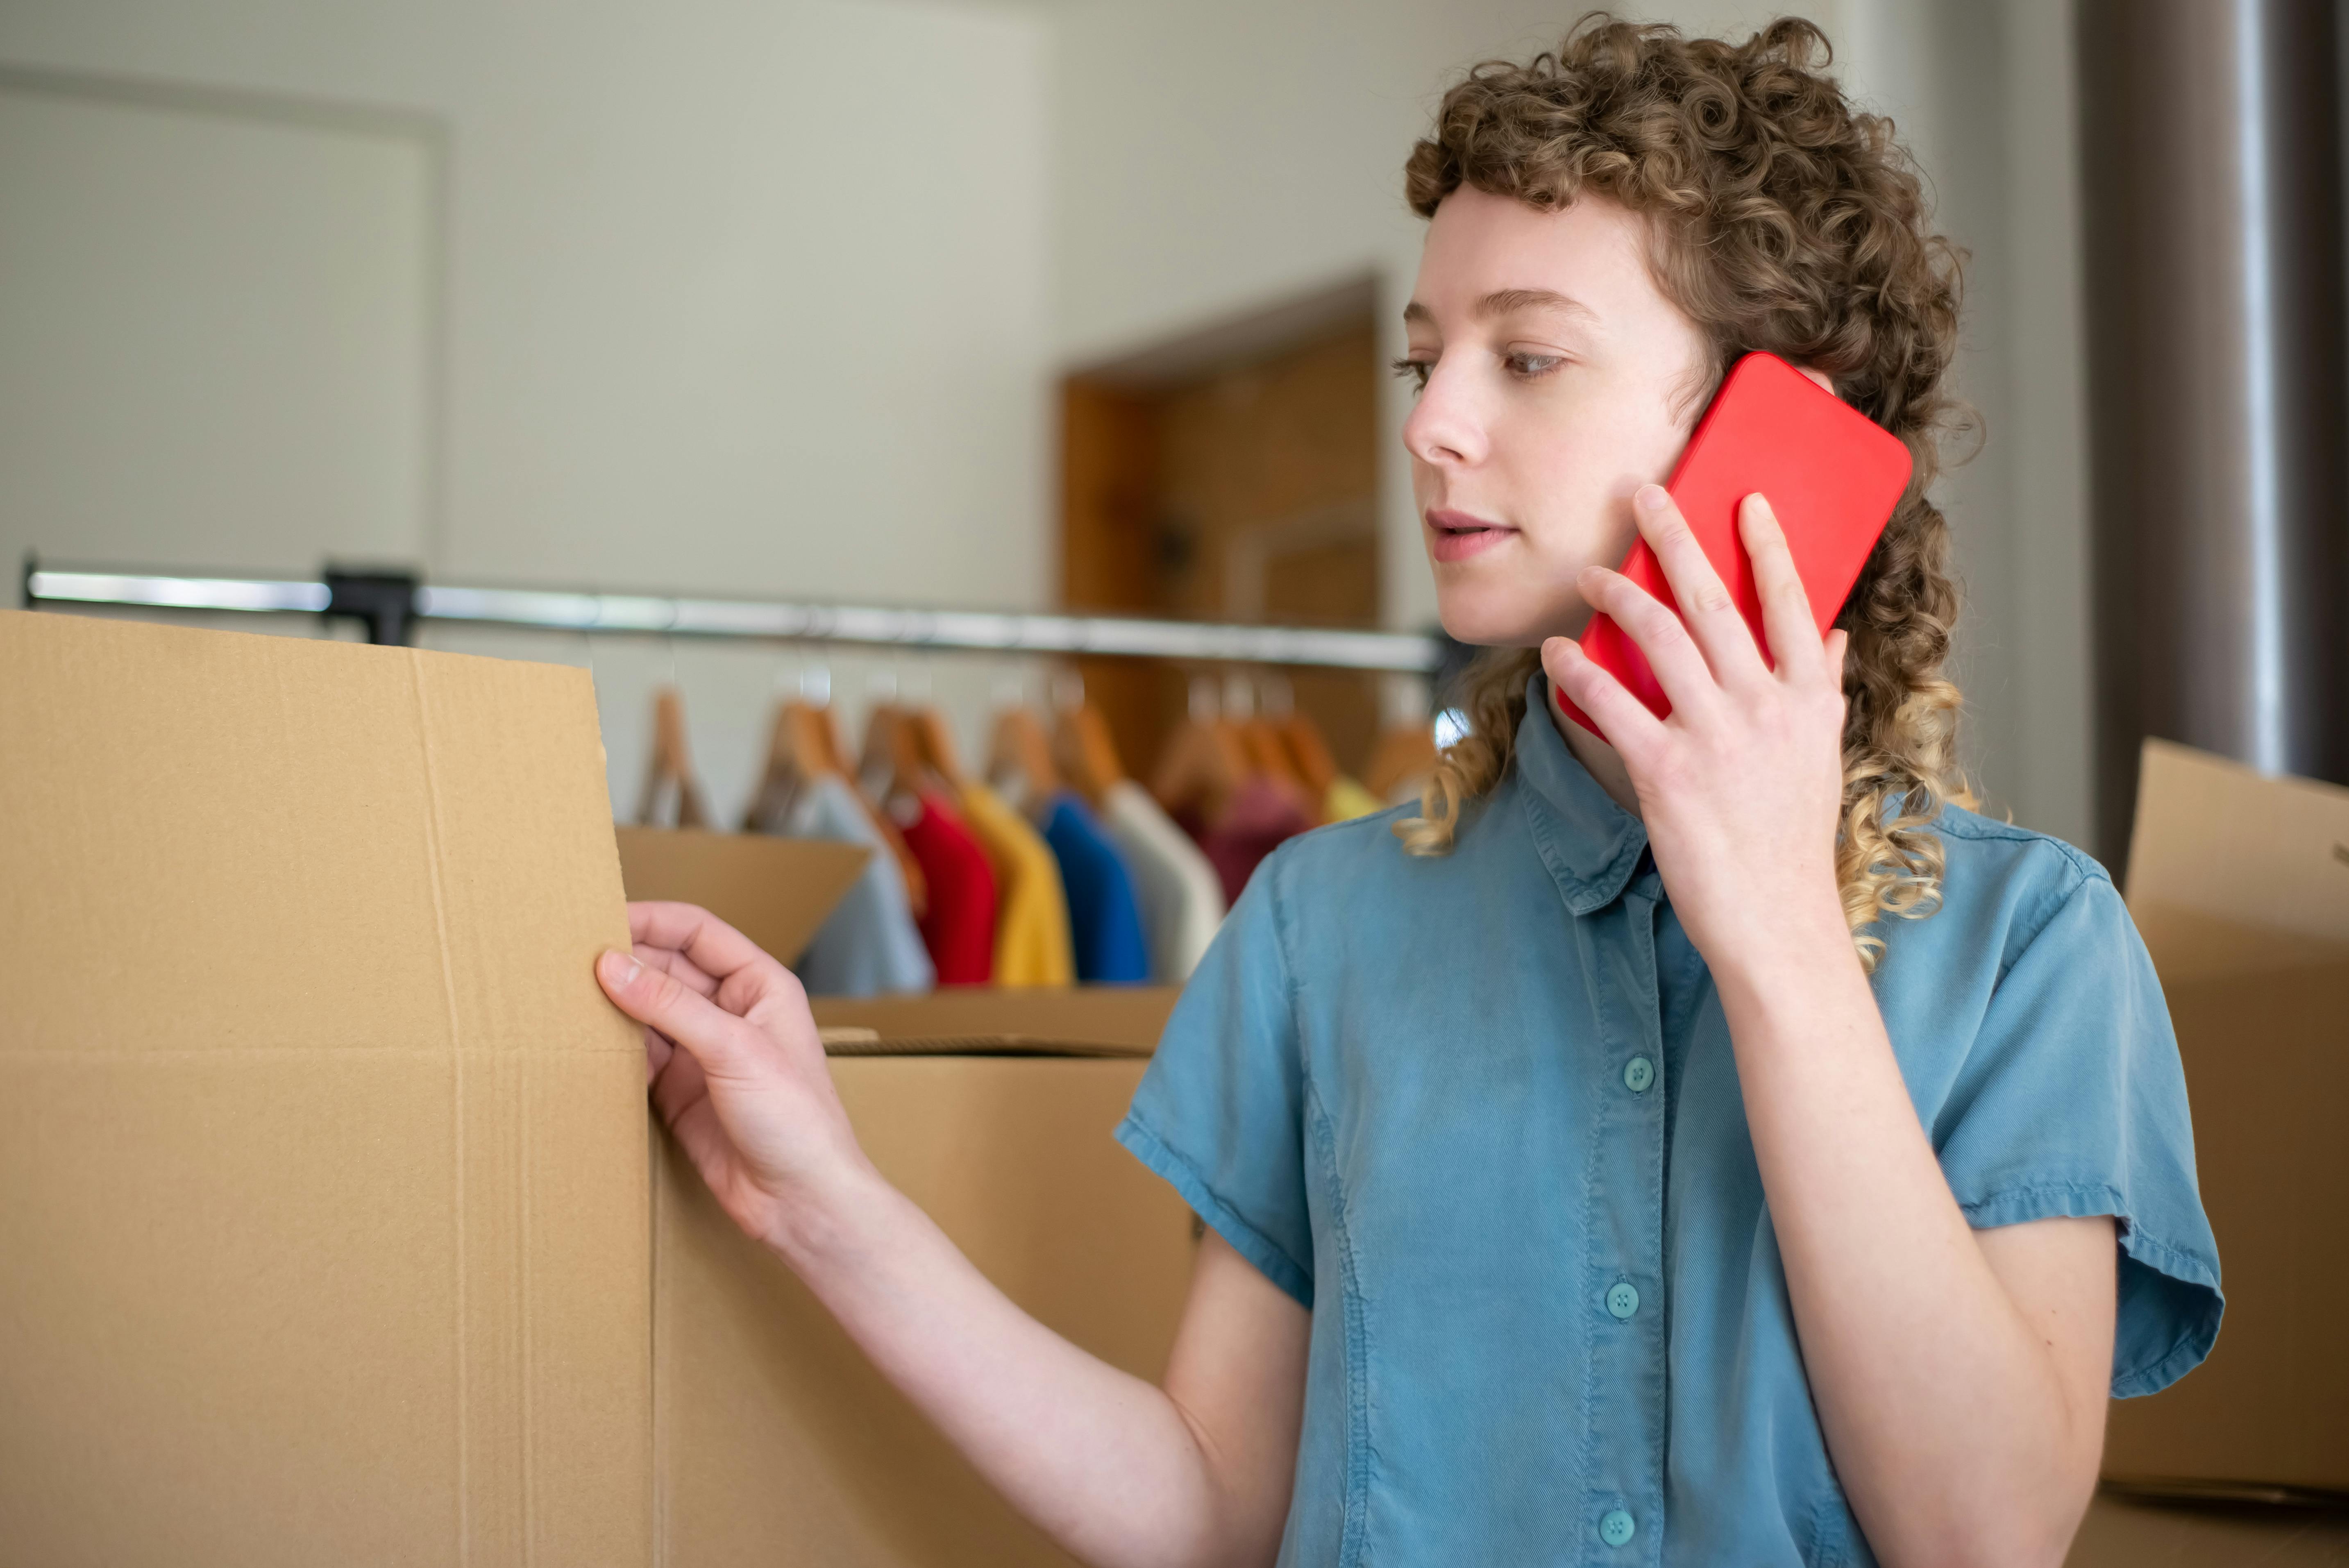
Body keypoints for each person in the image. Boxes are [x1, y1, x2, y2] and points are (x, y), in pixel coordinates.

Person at [595, 18, 2220, 1566]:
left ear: (1781, 423)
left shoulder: (2036, 947)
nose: (1435, 427)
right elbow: (1212, 1513)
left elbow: (1987, 1536)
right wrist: (823, 1200)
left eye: (1528, 358)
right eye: (1425, 359)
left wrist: (1782, 942)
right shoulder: (1321, 925)